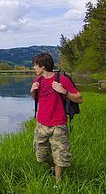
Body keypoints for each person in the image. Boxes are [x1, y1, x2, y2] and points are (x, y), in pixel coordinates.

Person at [30, 53, 82, 183]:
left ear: (43, 66)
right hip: (41, 123)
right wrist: (32, 92)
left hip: (58, 124)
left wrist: (63, 91)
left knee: (61, 154)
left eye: (35, 65)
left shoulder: (61, 80)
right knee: (40, 154)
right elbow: (36, 99)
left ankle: (58, 183)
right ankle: (54, 167)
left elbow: (79, 98)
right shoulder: (37, 80)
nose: (33, 68)